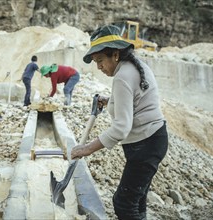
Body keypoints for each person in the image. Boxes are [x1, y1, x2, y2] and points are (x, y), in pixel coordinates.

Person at [71, 25, 168, 220]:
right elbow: (137, 101)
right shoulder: (134, 66)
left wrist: (88, 148)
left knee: (123, 203)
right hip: (153, 140)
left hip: (145, 145)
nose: (98, 67)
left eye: (100, 60)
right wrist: (111, 100)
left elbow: (121, 128)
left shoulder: (122, 77)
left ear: (115, 54)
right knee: (136, 201)